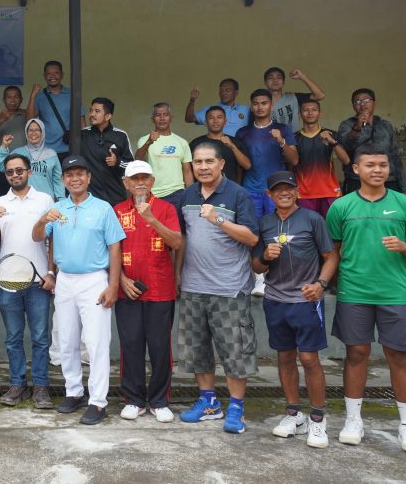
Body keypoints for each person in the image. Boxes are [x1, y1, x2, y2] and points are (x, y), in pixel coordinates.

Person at [324, 144, 406, 450]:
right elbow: (333, 251)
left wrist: (404, 247)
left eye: (383, 165)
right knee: (356, 354)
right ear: (356, 169)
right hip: (354, 292)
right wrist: (325, 282)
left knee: (398, 356)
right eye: (370, 165)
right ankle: (353, 420)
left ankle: (404, 423)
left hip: (396, 292)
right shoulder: (341, 207)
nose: (378, 170)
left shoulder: (402, 203)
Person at [174, 140, 259, 435]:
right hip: (193, 286)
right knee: (197, 349)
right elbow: (183, 238)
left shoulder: (238, 194)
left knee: (235, 351)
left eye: (209, 161)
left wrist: (218, 218)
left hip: (229, 288)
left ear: (222, 164)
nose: (203, 167)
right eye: (198, 162)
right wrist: (178, 273)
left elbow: (251, 238)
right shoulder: (187, 195)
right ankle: (209, 402)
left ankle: (236, 407)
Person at [33, 155, 124, 425]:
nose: (75, 179)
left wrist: (113, 285)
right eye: (70, 174)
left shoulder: (103, 208)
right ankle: (73, 392)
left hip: (94, 279)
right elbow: (38, 236)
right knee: (67, 340)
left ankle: (98, 401)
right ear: (63, 179)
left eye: (80, 174)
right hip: (65, 280)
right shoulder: (57, 208)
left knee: (96, 343)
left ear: (89, 177)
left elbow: (115, 247)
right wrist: (42, 220)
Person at [250, 170, 337, 448]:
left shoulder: (312, 219)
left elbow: (331, 256)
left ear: (297, 192)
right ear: (269, 194)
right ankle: (294, 414)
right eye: (278, 189)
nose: (284, 193)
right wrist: (266, 256)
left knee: (309, 358)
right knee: (285, 357)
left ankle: (317, 418)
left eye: (289, 188)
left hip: (305, 301)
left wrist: (321, 284)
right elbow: (256, 266)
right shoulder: (265, 223)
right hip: (275, 300)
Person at [112, 161, 183, 423]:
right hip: (127, 290)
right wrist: (120, 280)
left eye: (144, 178)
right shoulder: (117, 210)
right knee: (130, 345)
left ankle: (159, 400)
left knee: (160, 347)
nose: (140, 182)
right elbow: (110, 248)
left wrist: (151, 218)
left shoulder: (166, 208)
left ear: (152, 181)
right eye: (134, 178)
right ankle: (133, 399)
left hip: (160, 289)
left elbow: (176, 242)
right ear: (126, 183)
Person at [0, 154, 55, 409]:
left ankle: (41, 386)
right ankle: (18, 384)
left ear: (29, 172)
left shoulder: (44, 200)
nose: (15, 175)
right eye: (10, 172)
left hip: (38, 281)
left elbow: (53, 239)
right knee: (13, 338)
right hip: (8, 281)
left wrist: (51, 272)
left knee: (40, 337)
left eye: (19, 170)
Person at [236, 89, 300, 218]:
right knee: (253, 226)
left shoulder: (283, 129)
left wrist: (281, 141)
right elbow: (240, 165)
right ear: (251, 107)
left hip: (277, 188)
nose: (260, 107)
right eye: (256, 104)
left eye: (264, 103)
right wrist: (238, 188)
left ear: (272, 106)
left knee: (277, 226)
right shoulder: (242, 132)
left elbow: (294, 160)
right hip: (250, 189)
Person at [336, 88, 403, 194]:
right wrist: (357, 126)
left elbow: (395, 156)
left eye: (367, 100)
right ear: (353, 106)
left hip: (388, 180)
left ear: (374, 103)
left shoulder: (385, 125)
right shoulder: (347, 125)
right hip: (357, 180)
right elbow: (346, 148)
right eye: (358, 102)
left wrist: (403, 186)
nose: (362, 104)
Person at [294, 100, 348, 218]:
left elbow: (346, 161)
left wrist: (332, 142)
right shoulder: (295, 138)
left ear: (320, 113)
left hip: (329, 191)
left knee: (331, 227)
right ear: (299, 115)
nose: (310, 113)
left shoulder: (331, 134)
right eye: (305, 110)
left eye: (314, 110)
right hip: (304, 193)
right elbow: (291, 164)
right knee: (307, 227)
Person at [135, 103, 192, 210]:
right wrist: (149, 142)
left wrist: (191, 195)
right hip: (152, 193)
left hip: (177, 193)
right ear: (152, 119)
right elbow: (138, 160)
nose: (162, 118)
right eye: (158, 115)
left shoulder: (182, 142)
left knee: (176, 221)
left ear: (171, 118)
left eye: (165, 115)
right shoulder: (144, 140)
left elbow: (187, 171)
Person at [80, 97, 134, 206]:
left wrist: (117, 162)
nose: (92, 114)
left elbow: (131, 165)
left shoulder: (120, 135)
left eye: (97, 111)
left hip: (116, 196)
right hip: (91, 199)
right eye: (91, 111)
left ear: (108, 116)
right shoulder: (83, 135)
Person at [27, 60, 85, 159]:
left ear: (62, 75)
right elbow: (29, 120)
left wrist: (83, 145)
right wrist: (32, 96)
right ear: (44, 76)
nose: (52, 76)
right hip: (46, 149)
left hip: (69, 148)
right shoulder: (40, 96)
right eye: (49, 74)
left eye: (56, 73)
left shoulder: (72, 94)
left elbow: (82, 121)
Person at [0, 119, 64, 200]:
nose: (33, 133)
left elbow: (58, 180)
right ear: (26, 133)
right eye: (30, 130)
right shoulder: (18, 153)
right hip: (23, 200)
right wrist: (4, 146)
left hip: (46, 200)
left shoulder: (51, 154)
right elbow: (1, 167)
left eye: (37, 130)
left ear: (42, 132)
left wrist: (61, 200)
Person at [189, 106, 252, 184]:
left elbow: (247, 166)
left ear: (225, 121)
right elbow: (188, 170)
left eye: (219, 117)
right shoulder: (196, 143)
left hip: (229, 189)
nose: (215, 121)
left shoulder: (235, 142)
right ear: (205, 122)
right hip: (203, 189)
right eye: (211, 118)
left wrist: (233, 147)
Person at [0, 85, 28, 198]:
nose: (13, 100)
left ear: (21, 100)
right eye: (9, 97)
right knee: (2, 198)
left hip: (22, 167)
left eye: (16, 97)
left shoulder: (26, 116)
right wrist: (1, 120)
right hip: (2, 166)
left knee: (23, 198)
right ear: (3, 100)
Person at [184, 78, 250, 137]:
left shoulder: (246, 109)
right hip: (217, 145)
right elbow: (189, 119)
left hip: (239, 146)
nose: (223, 93)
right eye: (221, 90)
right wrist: (192, 100)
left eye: (227, 90)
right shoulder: (211, 110)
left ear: (236, 92)